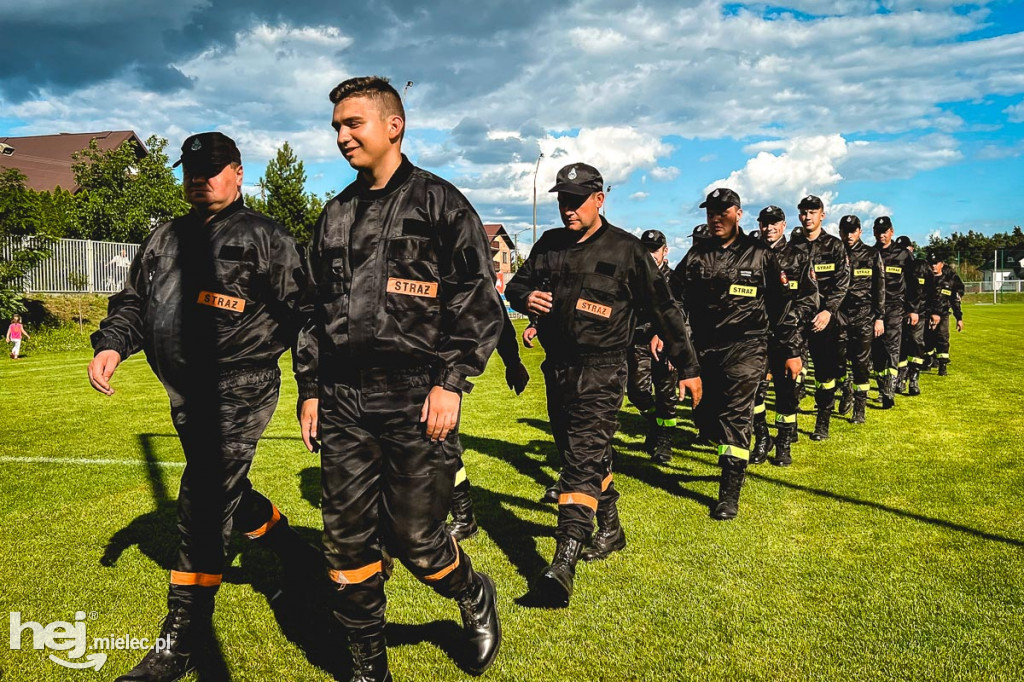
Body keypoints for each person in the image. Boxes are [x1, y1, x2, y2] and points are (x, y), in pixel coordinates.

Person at [88, 132, 318, 682]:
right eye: (191, 168)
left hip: (242, 386)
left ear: (238, 173)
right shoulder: (164, 238)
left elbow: (307, 314)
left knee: (202, 498)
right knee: (227, 495)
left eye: (213, 168)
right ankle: (300, 556)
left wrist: (312, 388)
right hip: (186, 394)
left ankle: (180, 641)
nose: (200, 177)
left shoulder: (267, 238)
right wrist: (113, 343)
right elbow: (133, 302)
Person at [294, 76, 503, 680]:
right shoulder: (334, 215)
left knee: (414, 537)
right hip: (343, 399)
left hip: (415, 395)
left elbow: (476, 299)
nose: (341, 136)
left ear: (394, 125)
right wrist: (310, 388)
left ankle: (470, 593)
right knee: (346, 541)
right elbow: (313, 313)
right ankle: (367, 663)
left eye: (353, 123)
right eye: (336, 125)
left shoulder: (440, 204)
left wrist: (451, 381)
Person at [506, 162, 701, 606]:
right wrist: (525, 296)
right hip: (558, 369)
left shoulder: (627, 250)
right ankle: (610, 528)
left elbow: (666, 311)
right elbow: (516, 286)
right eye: (561, 201)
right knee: (580, 454)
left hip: (605, 369)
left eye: (575, 201)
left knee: (579, 461)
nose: (567, 209)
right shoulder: (550, 244)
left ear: (599, 199)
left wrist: (688, 367)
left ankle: (563, 561)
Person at [671, 189, 806, 517]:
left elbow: (781, 306)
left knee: (736, 415)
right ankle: (752, 440)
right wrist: (670, 335)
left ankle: (728, 493)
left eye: (723, 212)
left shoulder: (759, 254)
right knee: (707, 416)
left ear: (739, 214)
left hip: (747, 347)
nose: (716, 218)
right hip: (704, 348)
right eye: (710, 212)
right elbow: (673, 297)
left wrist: (789, 350)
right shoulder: (696, 255)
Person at [446, 310, 530, 541]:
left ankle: (463, 517)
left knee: (442, 441)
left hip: (440, 373)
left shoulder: (462, 276)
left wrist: (513, 362)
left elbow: (495, 314)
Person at [750, 205, 816, 467]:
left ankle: (784, 443)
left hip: (789, 336)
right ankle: (762, 438)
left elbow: (810, 298)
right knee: (754, 391)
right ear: (759, 225)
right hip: (755, 336)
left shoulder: (798, 257)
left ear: (784, 225)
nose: (769, 228)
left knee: (786, 391)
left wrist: (791, 319)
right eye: (765, 223)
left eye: (774, 223)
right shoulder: (750, 255)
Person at [789, 195, 850, 440]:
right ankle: (789, 426)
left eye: (812, 212)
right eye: (803, 212)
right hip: (797, 320)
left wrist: (828, 310)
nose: (807, 217)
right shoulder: (792, 247)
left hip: (825, 319)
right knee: (792, 373)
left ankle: (822, 420)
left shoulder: (835, 246)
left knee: (825, 375)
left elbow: (843, 282)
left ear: (822, 215)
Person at [626, 229, 681, 465]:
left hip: (667, 343)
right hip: (638, 342)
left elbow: (679, 312)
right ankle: (653, 424)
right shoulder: (634, 278)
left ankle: (664, 440)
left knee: (666, 394)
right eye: (646, 250)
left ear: (665, 251)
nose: (651, 255)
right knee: (637, 390)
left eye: (655, 250)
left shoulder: (675, 279)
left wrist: (668, 339)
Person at [836, 216, 885, 424]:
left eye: (853, 230)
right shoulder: (834, 252)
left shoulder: (872, 255)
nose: (849, 235)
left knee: (861, 363)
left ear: (860, 231)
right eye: (845, 231)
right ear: (840, 232)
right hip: (839, 314)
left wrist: (880, 317)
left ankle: (859, 407)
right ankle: (845, 386)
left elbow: (879, 287)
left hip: (864, 315)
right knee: (836, 361)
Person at [871, 217, 920, 408]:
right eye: (878, 231)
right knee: (875, 352)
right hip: (872, 308)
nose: (881, 235)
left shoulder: (903, 255)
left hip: (895, 307)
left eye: (885, 231)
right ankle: (882, 386)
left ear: (892, 231)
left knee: (891, 348)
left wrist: (913, 309)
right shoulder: (870, 253)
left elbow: (914, 285)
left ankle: (889, 392)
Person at [896, 236, 933, 392]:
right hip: (897, 310)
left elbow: (929, 291)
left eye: (906, 249)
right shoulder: (894, 264)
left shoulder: (920, 266)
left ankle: (914, 378)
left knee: (916, 342)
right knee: (899, 344)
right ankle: (900, 377)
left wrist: (920, 311)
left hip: (917, 312)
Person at [925, 250, 965, 375]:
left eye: (936, 263)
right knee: (927, 339)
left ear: (942, 264)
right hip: (926, 315)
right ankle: (929, 360)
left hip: (943, 315)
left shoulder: (949, 281)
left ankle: (943, 365)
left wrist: (959, 318)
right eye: (931, 263)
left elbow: (954, 301)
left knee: (942, 338)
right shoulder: (925, 281)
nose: (933, 266)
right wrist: (931, 314)